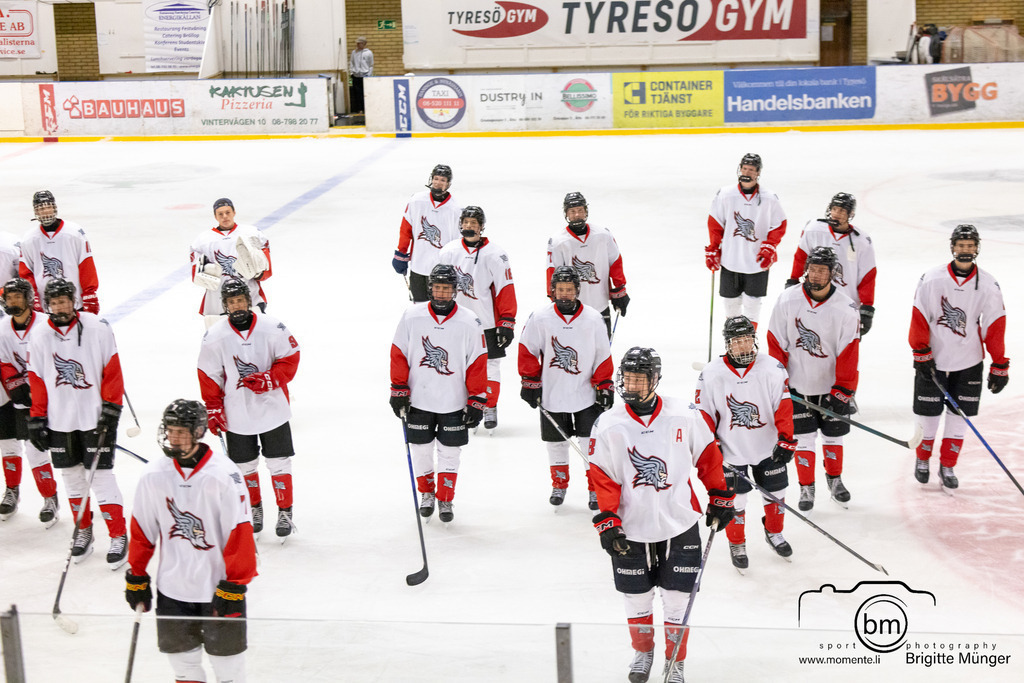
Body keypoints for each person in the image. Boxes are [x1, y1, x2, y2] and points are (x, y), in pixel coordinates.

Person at [589, 347, 734, 683]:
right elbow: (603, 477)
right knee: (636, 595)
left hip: (679, 521)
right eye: (628, 377)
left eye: (640, 378)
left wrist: (719, 495)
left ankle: (675, 660)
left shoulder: (684, 414)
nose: (632, 384)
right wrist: (607, 518)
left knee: (677, 599)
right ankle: (643, 652)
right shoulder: (609, 423)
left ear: (655, 379)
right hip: (631, 526)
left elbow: (708, 457)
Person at [125, 399, 257, 683]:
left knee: (229, 673)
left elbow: (240, 532)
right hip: (173, 591)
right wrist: (136, 575)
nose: (174, 438)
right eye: (170, 430)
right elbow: (142, 529)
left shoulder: (223, 476)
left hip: (219, 590)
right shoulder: (153, 476)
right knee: (184, 669)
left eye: (181, 431)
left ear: (199, 432)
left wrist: (235, 584)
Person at [26, 278, 127, 567]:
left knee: (101, 478)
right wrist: (37, 417)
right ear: (47, 305)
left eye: (65, 300)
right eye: (55, 302)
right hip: (60, 421)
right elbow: (37, 379)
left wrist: (111, 408)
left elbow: (112, 369)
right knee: (72, 479)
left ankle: (118, 535)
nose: (61, 306)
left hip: (95, 419)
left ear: (74, 300)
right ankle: (83, 532)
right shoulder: (40, 335)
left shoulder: (98, 327)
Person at [198, 278, 300, 539]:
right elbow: (209, 375)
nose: (237, 306)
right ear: (225, 305)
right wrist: (213, 408)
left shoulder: (272, 328)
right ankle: (255, 509)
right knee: (244, 466)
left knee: (278, 462)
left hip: (272, 409)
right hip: (237, 412)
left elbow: (291, 357)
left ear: (249, 300)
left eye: (241, 300)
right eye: (232, 302)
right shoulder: (215, 336)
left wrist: (270, 378)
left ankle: (285, 512)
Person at [909, 225, 1007, 491]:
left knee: (959, 416)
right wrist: (920, 350)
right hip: (934, 358)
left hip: (969, 359)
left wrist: (999, 363)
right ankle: (922, 460)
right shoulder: (931, 279)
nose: (965, 250)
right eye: (961, 245)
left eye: (970, 245)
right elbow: (919, 315)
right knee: (928, 413)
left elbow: (995, 325)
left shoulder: (988, 284)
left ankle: (948, 465)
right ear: (952, 247)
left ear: (977, 248)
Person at [695, 316, 796, 572]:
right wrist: (711, 443)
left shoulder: (772, 367)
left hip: (767, 447)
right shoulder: (712, 374)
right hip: (731, 451)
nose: (744, 346)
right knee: (735, 501)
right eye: (737, 342)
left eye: (747, 340)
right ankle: (737, 543)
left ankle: (774, 532)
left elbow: (783, 407)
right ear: (728, 344)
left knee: (776, 495)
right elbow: (703, 413)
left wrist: (786, 439)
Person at [390, 263, 487, 523]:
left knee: (450, 452)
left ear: (455, 290)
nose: (442, 293)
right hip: (419, 400)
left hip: (454, 401)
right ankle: (427, 494)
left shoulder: (470, 321)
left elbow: (478, 362)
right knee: (421, 449)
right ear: (429, 288)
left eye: (447, 289)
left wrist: (477, 399)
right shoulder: (412, 316)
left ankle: (445, 497)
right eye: (437, 288)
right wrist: (398, 388)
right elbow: (398, 353)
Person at [767, 247, 860, 511]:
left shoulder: (845, 307)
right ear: (806, 269)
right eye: (814, 269)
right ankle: (807, 487)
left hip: (831, 387)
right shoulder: (787, 300)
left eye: (823, 270)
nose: (817, 275)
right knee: (804, 439)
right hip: (797, 387)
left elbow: (849, 351)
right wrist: (780, 381)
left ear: (833, 274)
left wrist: (843, 390)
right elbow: (776, 343)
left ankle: (835, 480)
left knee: (833, 437)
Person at [518, 266, 613, 508]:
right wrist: (530, 382)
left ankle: (594, 489)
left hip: (586, 394)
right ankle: (559, 485)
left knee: (588, 442)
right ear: (552, 291)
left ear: (577, 291)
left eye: (569, 290)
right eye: (560, 290)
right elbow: (527, 350)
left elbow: (603, 354)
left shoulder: (593, 318)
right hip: (552, 393)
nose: (564, 294)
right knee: (556, 443)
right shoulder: (540, 317)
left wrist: (604, 385)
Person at [437, 206, 517, 430]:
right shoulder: (448, 251)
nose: (470, 226)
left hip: (487, 323)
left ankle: (489, 406)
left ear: (482, 226)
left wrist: (507, 321)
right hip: (454, 320)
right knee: (455, 364)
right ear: (460, 224)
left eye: (474, 223)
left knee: (490, 365)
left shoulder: (496, 254)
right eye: (466, 222)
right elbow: (437, 287)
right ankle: (462, 405)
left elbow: (505, 289)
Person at [0, 278, 60, 526]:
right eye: (9, 297)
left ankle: (50, 497)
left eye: (17, 297)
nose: (13, 302)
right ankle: (12, 491)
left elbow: (57, 358)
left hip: (41, 395)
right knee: (7, 445)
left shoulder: (45, 325)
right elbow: (4, 362)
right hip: (10, 394)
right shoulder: (3, 327)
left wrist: (39, 388)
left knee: (36, 448)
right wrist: (16, 385)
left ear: (28, 298)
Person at [705, 154, 788, 327]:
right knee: (730, 304)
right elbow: (715, 223)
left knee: (752, 304)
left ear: (758, 173)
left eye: (751, 170)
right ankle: (732, 344)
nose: (747, 172)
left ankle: (749, 344)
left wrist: (769, 246)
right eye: (744, 168)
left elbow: (779, 224)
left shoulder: (770, 198)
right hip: (730, 260)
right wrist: (714, 248)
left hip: (757, 262)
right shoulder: (726, 195)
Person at [787, 192, 877, 336]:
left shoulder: (862, 241)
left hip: (846, 304)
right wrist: (793, 281)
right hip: (814, 297)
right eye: (834, 209)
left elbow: (867, 276)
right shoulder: (814, 230)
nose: (836, 213)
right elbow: (801, 258)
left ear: (850, 214)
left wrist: (867, 307)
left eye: (842, 210)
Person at [546, 191, 629, 337]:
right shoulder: (558, 241)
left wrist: (620, 291)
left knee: (602, 354)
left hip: (600, 304)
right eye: (572, 211)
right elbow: (553, 273)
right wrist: (554, 299)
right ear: (566, 214)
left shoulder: (603, 235)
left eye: (580, 210)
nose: (577, 215)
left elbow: (615, 262)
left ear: (586, 211)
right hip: (572, 308)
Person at [191, 198, 272, 329]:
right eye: (220, 214)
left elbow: (266, 268)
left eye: (228, 212)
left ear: (234, 212)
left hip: (250, 295)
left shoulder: (252, 233)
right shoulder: (202, 241)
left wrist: (259, 273)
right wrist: (204, 273)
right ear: (215, 216)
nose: (225, 217)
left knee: (254, 335)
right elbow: (196, 273)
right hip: (217, 301)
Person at [19, 190, 100, 314]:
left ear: (55, 208)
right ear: (35, 212)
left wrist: (89, 294)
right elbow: (26, 273)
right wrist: (33, 296)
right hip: (46, 308)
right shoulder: (29, 239)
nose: (45, 212)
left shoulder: (74, 233)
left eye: (48, 207)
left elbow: (86, 265)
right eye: (41, 209)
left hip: (75, 303)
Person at [392, 164, 463, 303]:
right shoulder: (416, 201)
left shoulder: (455, 209)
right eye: (436, 178)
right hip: (418, 265)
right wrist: (401, 253)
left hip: (442, 270)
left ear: (448, 184)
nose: (438, 183)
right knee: (418, 308)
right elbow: (406, 229)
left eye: (442, 180)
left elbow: (458, 243)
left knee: (439, 309)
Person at [348, 36, 373, 114]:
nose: (358, 45)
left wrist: (369, 75)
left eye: (360, 43)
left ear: (364, 44)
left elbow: (371, 65)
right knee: (356, 94)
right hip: (355, 76)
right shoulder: (354, 52)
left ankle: (366, 108)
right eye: (357, 43)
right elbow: (351, 62)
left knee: (364, 93)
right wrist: (352, 72)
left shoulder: (369, 53)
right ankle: (359, 109)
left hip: (365, 76)